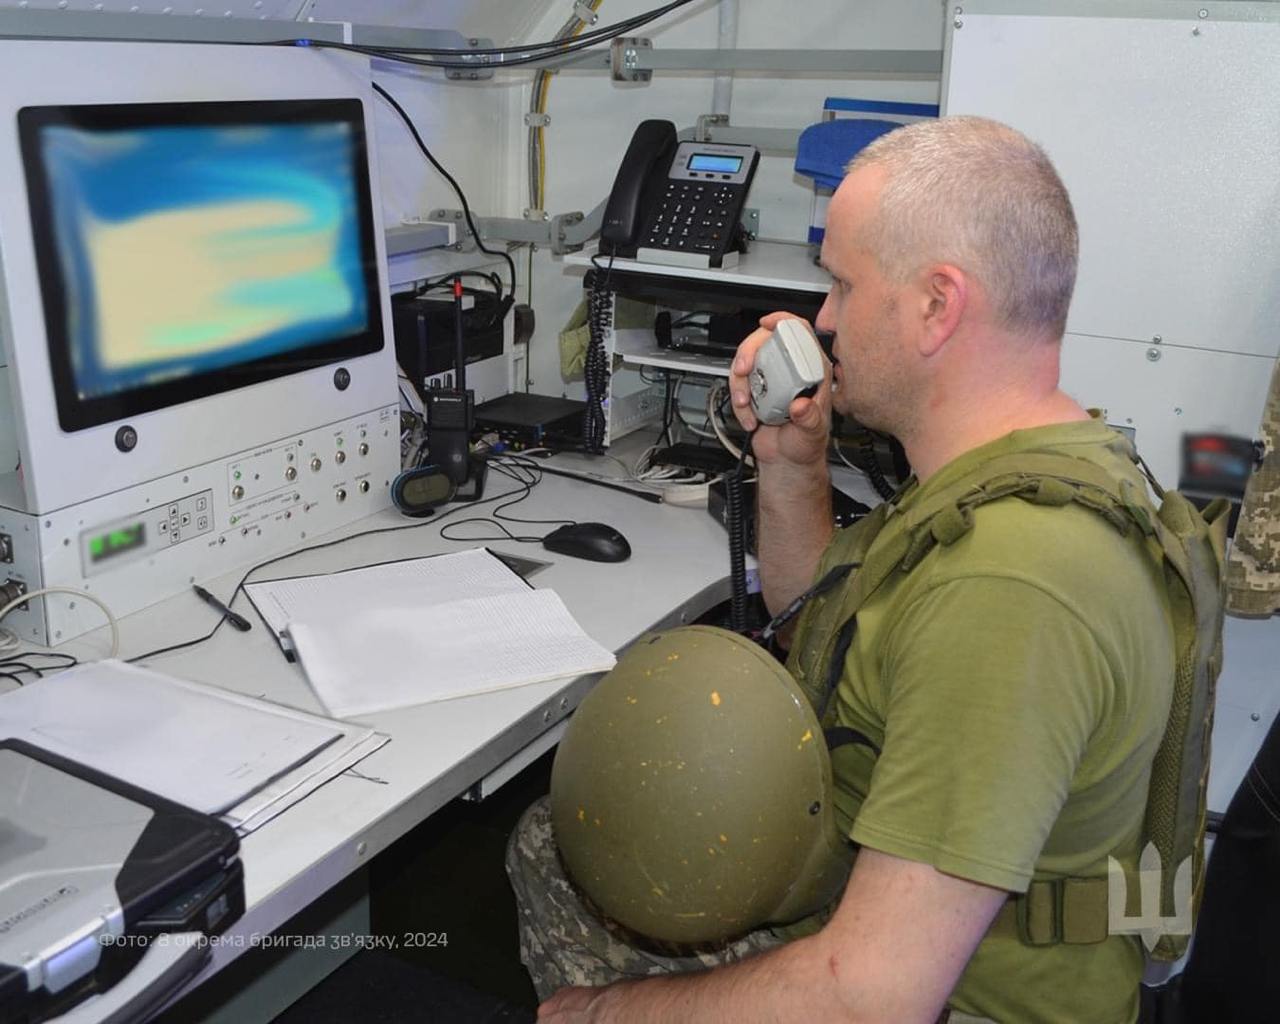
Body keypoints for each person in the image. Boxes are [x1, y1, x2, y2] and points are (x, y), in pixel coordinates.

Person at [507, 116, 1175, 1024]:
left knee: (558, 852)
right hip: (898, 913)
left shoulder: (1011, 586)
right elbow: (829, 636)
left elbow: (869, 998)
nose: (823, 319)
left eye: (844, 285)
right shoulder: (1012, 468)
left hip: (954, 997)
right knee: (556, 838)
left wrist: (601, 1014)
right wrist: (792, 464)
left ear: (938, 305)